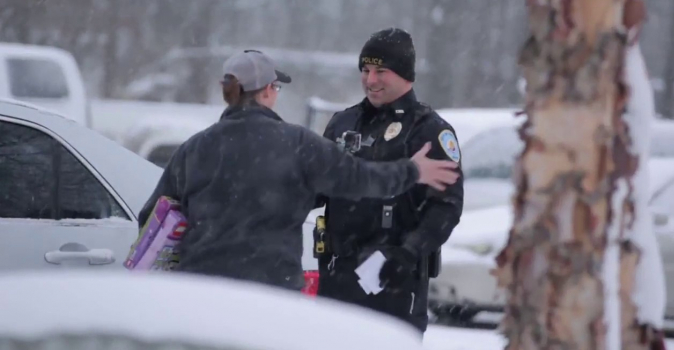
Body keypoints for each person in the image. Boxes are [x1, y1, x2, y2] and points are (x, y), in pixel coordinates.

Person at [137, 49, 460, 292]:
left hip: (200, 290)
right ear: (267, 90)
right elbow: (361, 179)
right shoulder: (298, 145)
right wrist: (412, 171)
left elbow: (152, 216)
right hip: (271, 290)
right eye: (276, 88)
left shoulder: (194, 149)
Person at [314, 28, 464, 334]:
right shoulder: (343, 123)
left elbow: (446, 208)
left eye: (381, 71)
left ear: (406, 75)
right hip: (337, 279)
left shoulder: (428, 130)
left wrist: (408, 253)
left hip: (395, 285)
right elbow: (314, 189)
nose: (371, 80)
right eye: (365, 70)